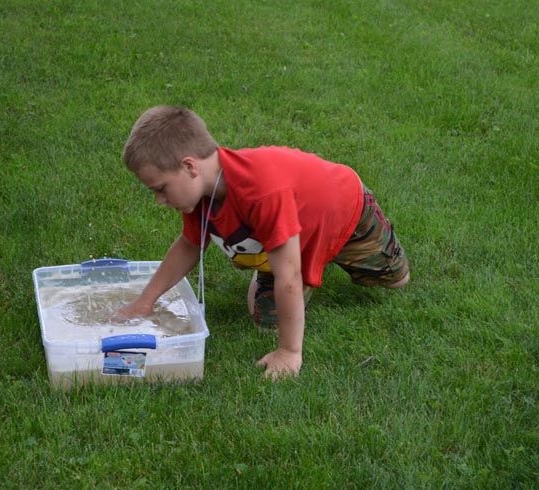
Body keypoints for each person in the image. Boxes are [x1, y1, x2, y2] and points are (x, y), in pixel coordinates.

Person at [117, 106, 410, 379]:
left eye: (160, 189)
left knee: (396, 280)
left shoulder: (261, 191)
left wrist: (289, 352)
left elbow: (289, 278)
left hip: (345, 215)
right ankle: (287, 252)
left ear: (190, 167)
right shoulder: (200, 196)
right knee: (268, 321)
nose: (159, 200)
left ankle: (308, 253)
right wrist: (143, 303)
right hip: (290, 236)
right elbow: (188, 246)